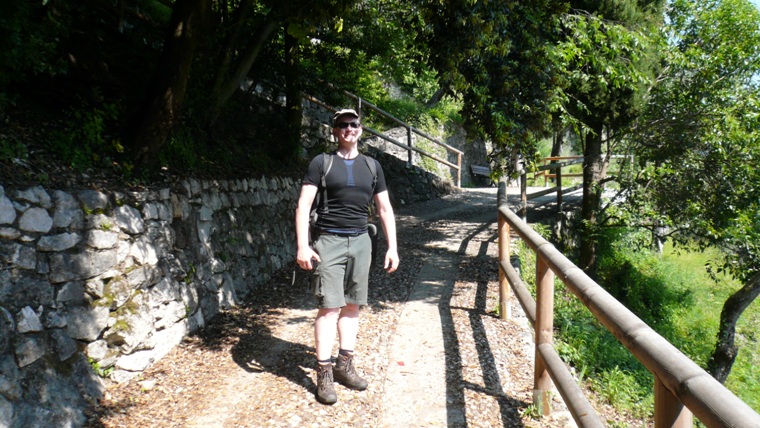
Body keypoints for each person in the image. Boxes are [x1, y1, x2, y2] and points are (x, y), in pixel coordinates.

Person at [295, 108, 399, 405]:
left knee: (353, 305)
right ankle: (324, 372)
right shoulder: (321, 163)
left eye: (353, 124)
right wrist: (303, 245)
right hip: (328, 242)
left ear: (360, 129)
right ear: (334, 131)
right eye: (342, 125)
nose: (348, 129)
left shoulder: (372, 166)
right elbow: (303, 207)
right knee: (329, 307)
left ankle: (344, 365)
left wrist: (392, 247)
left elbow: (384, 209)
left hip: (362, 241)